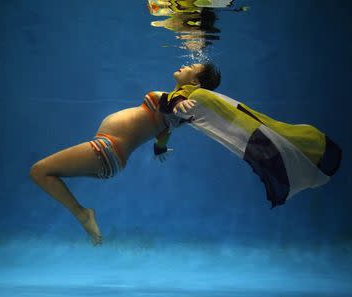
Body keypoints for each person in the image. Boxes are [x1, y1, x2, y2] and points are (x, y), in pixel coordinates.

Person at [29, 63, 222, 246]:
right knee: (49, 173)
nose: (185, 65)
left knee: (40, 171)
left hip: (107, 149)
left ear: (195, 82)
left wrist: (179, 104)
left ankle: (82, 214)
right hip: (112, 159)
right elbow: (164, 131)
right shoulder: (175, 113)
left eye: (191, 67)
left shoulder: (173, 103)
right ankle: (82, 213)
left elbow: (170, 104)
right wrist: (159, 149)